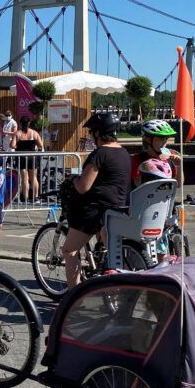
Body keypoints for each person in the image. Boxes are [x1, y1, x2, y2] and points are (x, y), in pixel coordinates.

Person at [61, 112, 131, 288]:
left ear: (99, 133)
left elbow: (83, 186)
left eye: (92, 132)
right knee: (114, 253)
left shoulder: (100, 154)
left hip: (95, 211)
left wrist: (72, 178)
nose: (91, 136)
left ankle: (73, 296)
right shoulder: (124, 153)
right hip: (118, 209)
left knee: (69, 250)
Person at [131, 120, 181, 186]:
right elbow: (137, 184)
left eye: (166, 138)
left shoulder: (170, 158)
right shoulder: (138, 158)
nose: (164, 142)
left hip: (166, 196)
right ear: (148, 139)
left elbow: (179, 184)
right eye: (161, 138)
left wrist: (179, 165)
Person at [12, 116, 44, 200]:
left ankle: (25, 198)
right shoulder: (34, 133)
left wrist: (17, 146)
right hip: (32, 157)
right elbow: (41, 145)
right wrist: (35, 146)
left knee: (24, 178)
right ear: (29, 123)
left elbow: (12, 145)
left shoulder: (17, 133)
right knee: (34, 178)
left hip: (21, 157)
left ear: (20, 123)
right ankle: (36, 197)